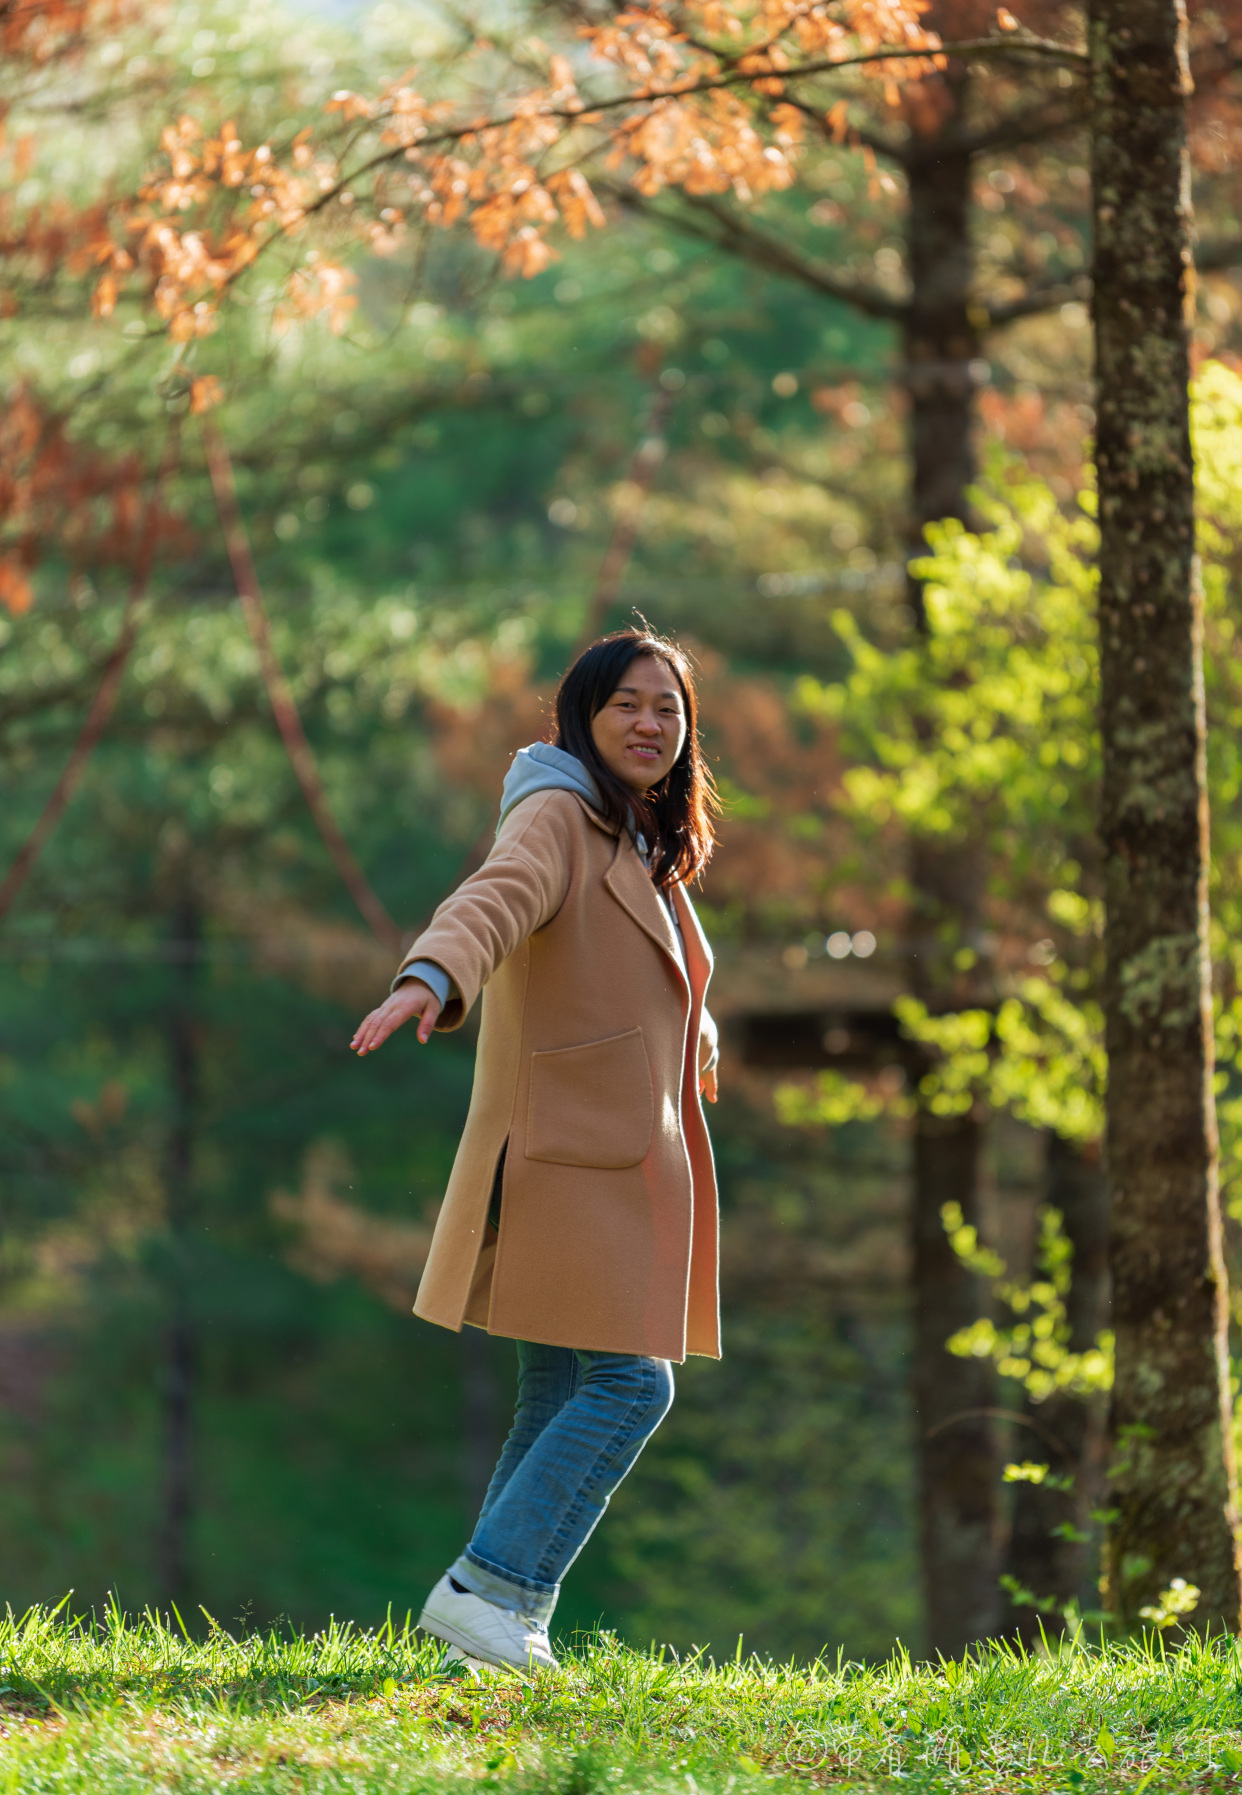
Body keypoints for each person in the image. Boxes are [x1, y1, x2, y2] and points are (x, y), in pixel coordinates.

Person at [350, 628, 721, 1671]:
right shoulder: (558, 810)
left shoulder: (640, 839)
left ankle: (496, 1624)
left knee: (562, 1389)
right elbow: (496, 897)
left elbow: (641, 964)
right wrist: (431, 975)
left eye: (668, 708)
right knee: (631, 1384)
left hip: (601, 1160)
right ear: (583, 719)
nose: (650, 724)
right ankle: (489, 1585)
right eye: (626, 706)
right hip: (566, 1162)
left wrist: (696, 1018)